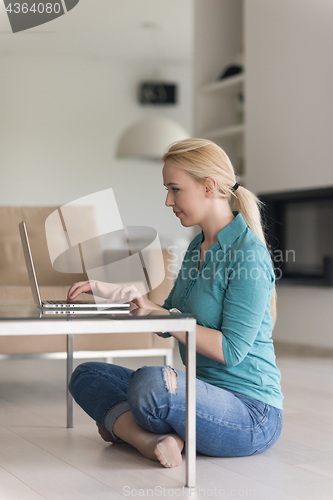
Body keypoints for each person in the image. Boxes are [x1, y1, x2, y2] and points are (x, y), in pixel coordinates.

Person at [67, 138, 283, 468]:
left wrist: (165, 318)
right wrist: (126, 296)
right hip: (197, 392)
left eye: (175, 189)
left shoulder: (247, 254)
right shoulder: (197, 245)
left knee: (152, 385)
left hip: (251, 411)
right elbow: (169, 318)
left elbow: (230, 350)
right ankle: (152, 440)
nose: (168, 201)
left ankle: (129, 427)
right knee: (86, 375)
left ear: (208, 186)